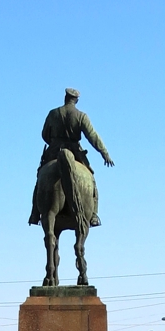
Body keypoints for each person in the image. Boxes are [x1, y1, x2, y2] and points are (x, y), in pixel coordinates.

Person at [28, 88, 114, 229]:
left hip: (54, 151)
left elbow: (44, 134)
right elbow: (92, 136)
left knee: (40, 177)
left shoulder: (53, 113)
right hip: (75, 152)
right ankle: (93, 215)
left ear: (65, 98)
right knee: (91, 178)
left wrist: (54, 141)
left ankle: (35, 213)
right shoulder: (81, 116)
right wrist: (104, 153)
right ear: (76, 100)